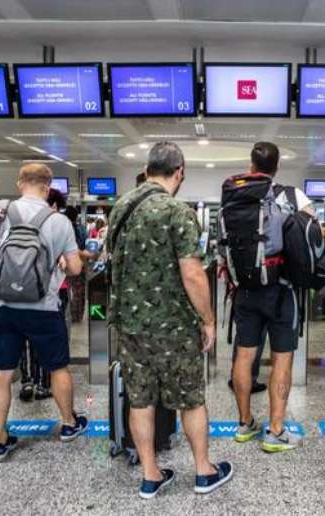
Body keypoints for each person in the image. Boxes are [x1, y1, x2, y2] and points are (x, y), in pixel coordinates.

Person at [108, 142, 232, 499]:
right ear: (179, 172)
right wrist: (208, 320)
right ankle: (204, 472)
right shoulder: (177, 212)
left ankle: (150, 475)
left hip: (130, 325)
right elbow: (192, 273)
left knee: (141, 399)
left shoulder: (120, 208)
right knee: (191, 399)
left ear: (148, 170)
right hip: (173, 326)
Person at [0, 163, 86, 462]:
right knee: (58, 367)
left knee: (2, 375)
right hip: (44, 307)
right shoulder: (58, 220)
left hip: (3, 306)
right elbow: (75, 268)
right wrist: (58, 258)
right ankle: (68, 424)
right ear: (48, 188)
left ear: (20, 182)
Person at [231, 141, 312, 453]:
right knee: (282, 359)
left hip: (246, 289)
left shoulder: (237, 196)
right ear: (277, 167)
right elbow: (314, 238)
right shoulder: (293, 197)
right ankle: (275, 431)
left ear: (251, 166)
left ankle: (245, 423)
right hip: (283, 290)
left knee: (244, 355)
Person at [17, 187, 68, 403]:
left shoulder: (16, 219)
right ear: (55, 205)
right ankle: (42, 384)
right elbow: (72, 265)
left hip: (17, 291)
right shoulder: (58, 224)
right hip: (49, 294)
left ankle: (27, 380)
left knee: (23, 340)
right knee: (45, 341)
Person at [64, 206, 88, 323]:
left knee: (67, 290)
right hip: (80, 264)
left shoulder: (63, 229)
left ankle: (69, 313)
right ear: (76, 216)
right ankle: (78, 315)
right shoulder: (81, 229)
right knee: (79, 291)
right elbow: (84, 246)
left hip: (65, 266)